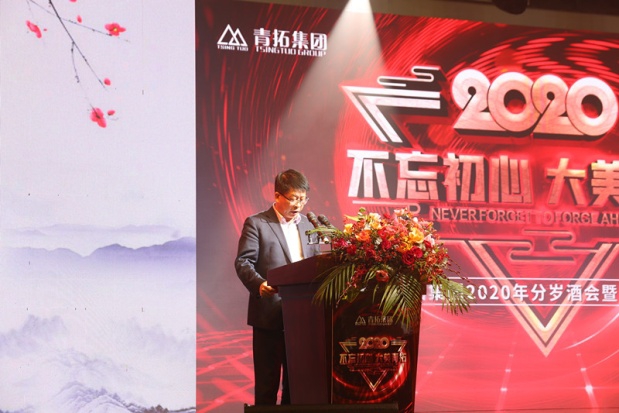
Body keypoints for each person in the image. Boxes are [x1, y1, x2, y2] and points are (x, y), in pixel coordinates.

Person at [235, 169, 320, 405]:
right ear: (277, 195)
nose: (298, 205)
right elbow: (243, 261)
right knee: (267, 386)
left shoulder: (309, 226)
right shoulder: (257, 223)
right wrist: (259, 284)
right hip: (269, 316)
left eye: (303, 199)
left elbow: (315, 265)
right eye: (293, 198)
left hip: (302, 319)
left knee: (296, 387)